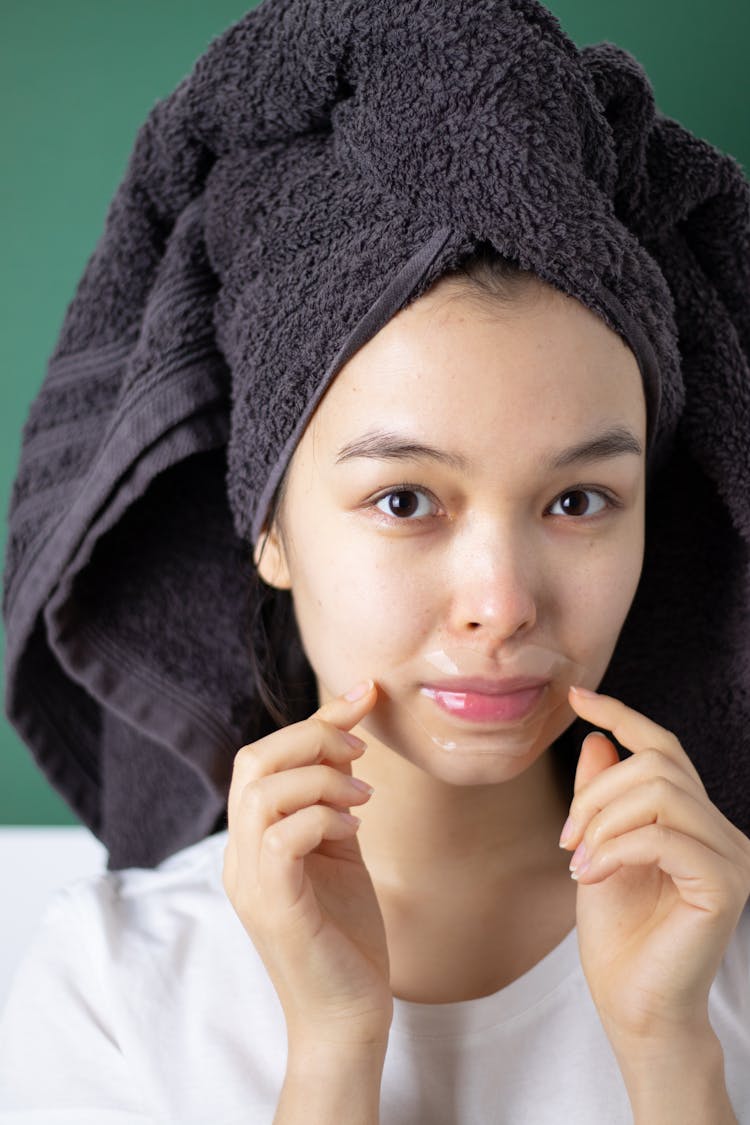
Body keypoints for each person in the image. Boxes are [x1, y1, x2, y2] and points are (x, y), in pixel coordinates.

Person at [1, 1, 749, 1122]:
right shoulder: (110, 990)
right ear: (270, 528)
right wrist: (334, 1046)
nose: (501, 604)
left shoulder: (723, 951)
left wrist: (670, 1051)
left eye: (580, 499)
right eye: (406, 500)